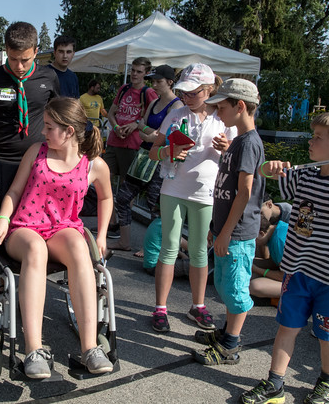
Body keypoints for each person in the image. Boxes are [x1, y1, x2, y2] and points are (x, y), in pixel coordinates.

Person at [241, 111, 329, 404]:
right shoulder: (305, 174)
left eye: (317, 138)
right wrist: (268, 168)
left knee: (328, 335)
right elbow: (266, 173)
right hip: (298, 270)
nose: (310, 142)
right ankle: (275, 383)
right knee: (287, 327)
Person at [0, 97, 114, 378]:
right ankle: (33, 350)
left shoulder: (93, 165)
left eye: (50, 127)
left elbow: (106, 196)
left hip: (62, 228)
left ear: (69, 131)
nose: (43, 131)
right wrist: (2, 219)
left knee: (80, 248)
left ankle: (89, 347)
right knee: (36, 250)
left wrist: (101, 235)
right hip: (25, 227)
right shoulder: (36, 153)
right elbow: (15, 191)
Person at [147, 63, 235, 333]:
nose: (186, 97)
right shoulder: (176, 114)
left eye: (192, 93)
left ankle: (198, 306)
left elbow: (235, 158)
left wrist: (226, 149)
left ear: (208, 91)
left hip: (205, 193)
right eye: (183, 92)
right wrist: (166, 153)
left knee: (198, 251)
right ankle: (160, 307)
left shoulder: (222, 118)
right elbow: (153, 151)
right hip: (173, 188)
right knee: (169, 248)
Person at [189, 78, 264, 366]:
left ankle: (230, 345)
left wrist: (227, 233)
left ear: (240, 106)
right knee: (222, 283)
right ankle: (225, 334)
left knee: (235, 290)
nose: (218, 113)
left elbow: (244, 192)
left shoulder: (248, 144)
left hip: (238, 234)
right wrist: (215, 229)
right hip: (225, 231)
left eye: (221, 107)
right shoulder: (238, 143)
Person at [0, 21, 59, 204]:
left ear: (35, 51)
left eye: (25, 60)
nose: (19, 66)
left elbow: (60, 119)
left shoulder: (49, 78)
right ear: (7, 50)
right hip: (0, 162)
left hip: (39, 162)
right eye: (13, 58)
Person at [110, 64, 184, 252]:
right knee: (123, 197)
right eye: (153, 81)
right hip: (144, 155)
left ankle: (153, 246)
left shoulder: (176, 105)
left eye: (159, 81)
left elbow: (165, 134)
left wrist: (148, 132)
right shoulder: (154, 102)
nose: (155, 85)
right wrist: (149, 132)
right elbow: (143, 125)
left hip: (161, 160)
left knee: (155, 205)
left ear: (169, 82)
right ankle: (125, 241)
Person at [101, 56, 158, 237]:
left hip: (132, 144)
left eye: (138, 71)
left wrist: (136, 125)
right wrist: (116, 127)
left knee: (127, 188)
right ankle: (111, 222)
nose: (134, 74)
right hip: (114, 140)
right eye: (132, 70)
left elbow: (153, 116)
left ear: (146, 73)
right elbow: (111, 112)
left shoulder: (148, 93)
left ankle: (122, 226)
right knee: (104, 180)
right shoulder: (123, 89)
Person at [249, 195, 292, 301]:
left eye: (252, 240)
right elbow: (275, 263)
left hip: (299, 281)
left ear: (261, 233)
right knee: (247, 271)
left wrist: (257, 270)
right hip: (287, 273)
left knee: (255, 286)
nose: (252, 244)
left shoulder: (279, 240)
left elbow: (284, 275)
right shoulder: (276, 230)